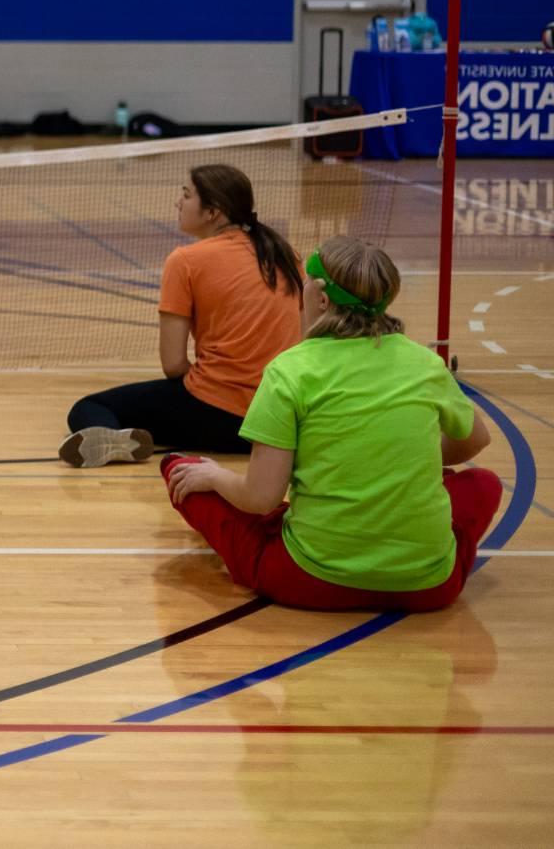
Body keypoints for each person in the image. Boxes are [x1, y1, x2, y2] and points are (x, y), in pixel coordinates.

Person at [163, 236, 502, 612]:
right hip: (428, 588)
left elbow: (261, 498)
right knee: (483, 484)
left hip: (310, 581)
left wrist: (213, 477)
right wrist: (398, 456)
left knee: (180, 471)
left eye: (305, 281)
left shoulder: (290, 370)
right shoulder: (424, 362)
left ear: (321, 299)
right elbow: (475, 440)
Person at [59, 163, 301, 467]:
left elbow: (173, 365)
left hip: (220, 418)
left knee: (89, 407)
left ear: (212, 212)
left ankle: (115, 438)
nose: (178, 202)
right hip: (276, 419)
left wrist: (213, 386)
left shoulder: (185, 261)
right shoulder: (285, 254)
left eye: (186, 195)